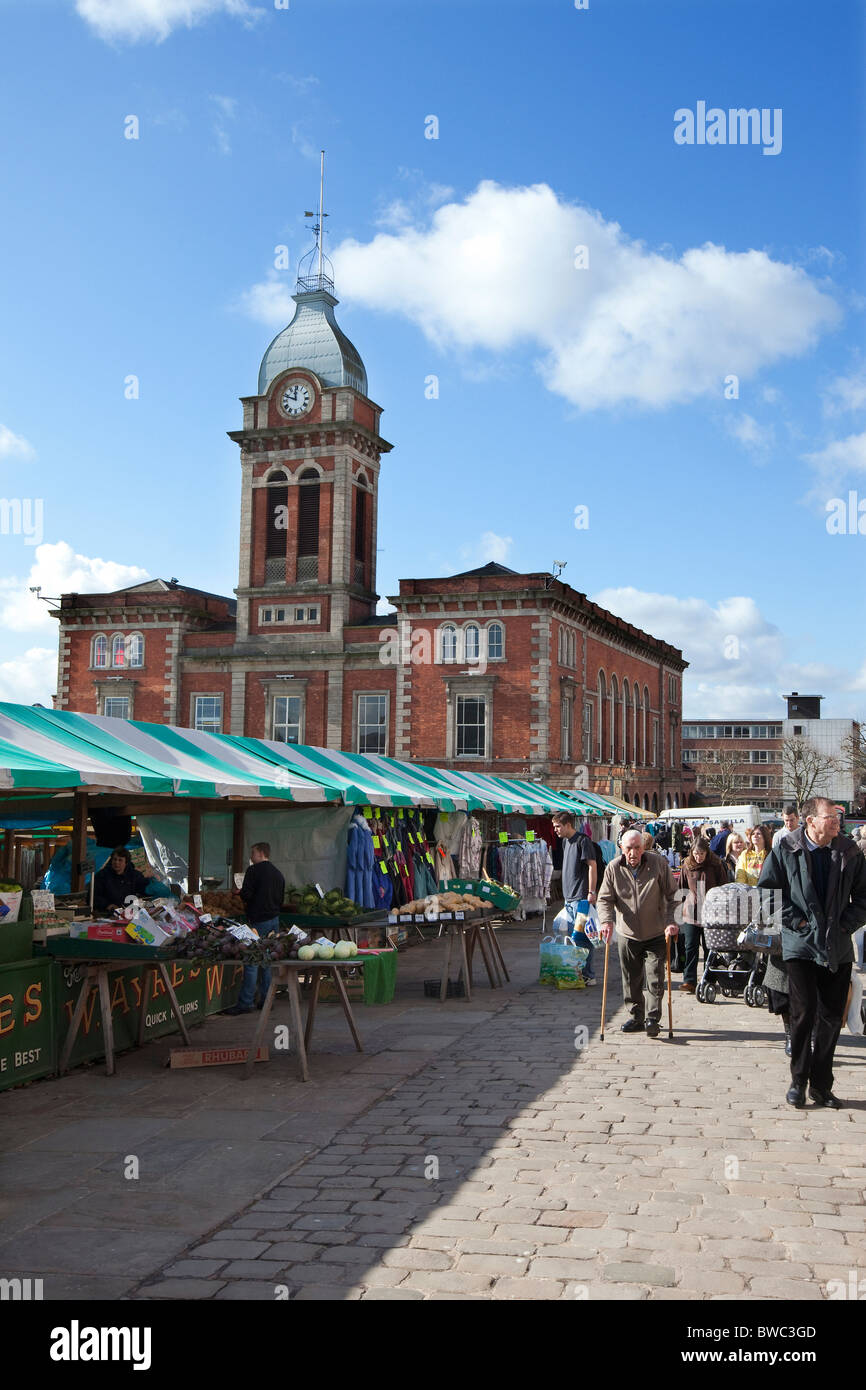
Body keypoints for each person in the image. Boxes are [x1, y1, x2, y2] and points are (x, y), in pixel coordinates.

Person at [758, 797, 866, 1108]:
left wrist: (846, 924)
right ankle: (798, 1081)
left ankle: (822, 1085)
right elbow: (768, 891)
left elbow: (864, 895)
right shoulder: (785, 848)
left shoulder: (849, 851)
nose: (836, 821)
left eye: (836, 816)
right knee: (803, 1015)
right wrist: (797, 922)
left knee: (832, 1018)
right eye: (829, 816)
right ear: (810, 821)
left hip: (838, 946)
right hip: (800, 946)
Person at [597, 829, 679, 1037]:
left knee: (654, 976)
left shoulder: (658, 864)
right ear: (622, 849)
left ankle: (652, 1018)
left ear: (643, 848)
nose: (633, 853)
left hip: (655, 932)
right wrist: (606, 921)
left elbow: (673, 895)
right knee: (631, 978)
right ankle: (636, 1017)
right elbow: (605, 899)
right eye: (628, 848)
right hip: (628, 933)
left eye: (637, 848)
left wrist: (671, 922)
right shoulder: (613, 868)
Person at [225, 842, 286, 1016]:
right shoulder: (278, 873)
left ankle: (246, 1002)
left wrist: (239, 893)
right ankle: (266, 999)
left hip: (258, 921)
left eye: (252, 853)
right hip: (274, 919)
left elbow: (247, 894)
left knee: (251, 961)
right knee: (267, 960)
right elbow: (281, 898)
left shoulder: (253, 871)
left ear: (260, 853)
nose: (250, 857)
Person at [551, 812, 598, 985]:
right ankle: (576, 972)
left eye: (558, 826)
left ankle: (588, 975)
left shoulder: (582, 840)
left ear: (568, 825)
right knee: (571, 938)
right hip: (569, 899)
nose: (555, 830)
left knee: (583, 938)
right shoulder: (565, 842)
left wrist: (591, 892)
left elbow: (592, 865)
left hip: (581, 899)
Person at [677, 837, 728, 993]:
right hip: (691, 913)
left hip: (711, 913)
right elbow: (681, 888)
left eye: (702, 853)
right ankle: (689, 980)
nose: (698, 856)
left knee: (709, 947)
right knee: (690, 946)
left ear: (707, 852)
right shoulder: (687, 865)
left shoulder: (716, 865)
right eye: (696, 853)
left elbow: (723, 886)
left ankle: (709, 979)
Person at [92, 846, 160, 912]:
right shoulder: (102, 876)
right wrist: (107, 905)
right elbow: (93, 896)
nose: (116, 862)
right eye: (115, 859)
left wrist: (152, 882)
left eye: (120, 860)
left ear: (126, 863)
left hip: (129, 911)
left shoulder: (133, 875)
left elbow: (144, 887)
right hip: (107, 912)